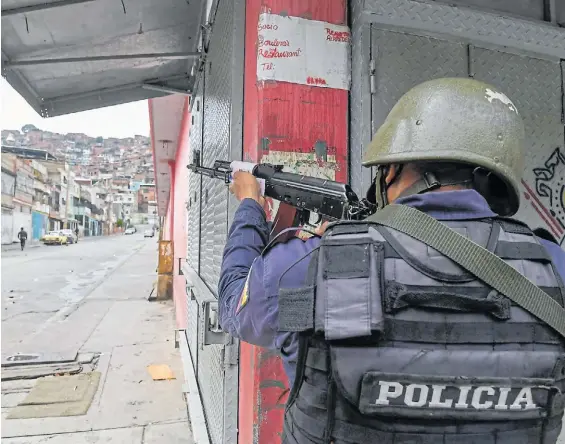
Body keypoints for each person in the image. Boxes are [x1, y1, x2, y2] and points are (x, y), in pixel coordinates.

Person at [218, 78, 565, 443]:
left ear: (394, 169)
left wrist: (249, 206)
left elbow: (234, 307)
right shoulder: (553, 268)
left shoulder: (309, 265)